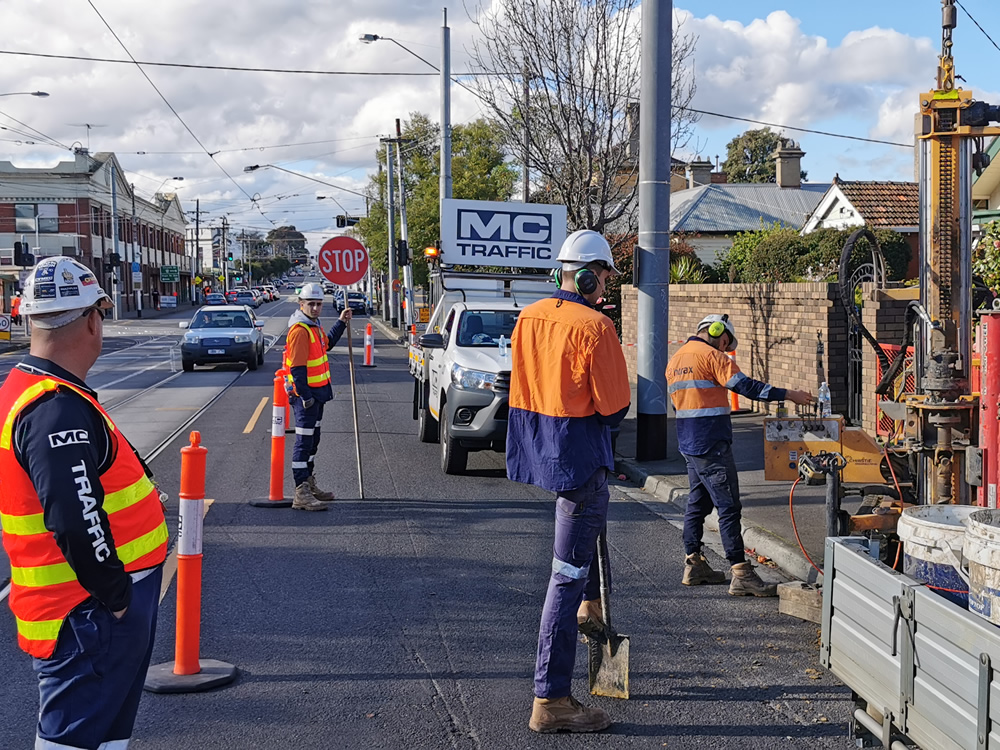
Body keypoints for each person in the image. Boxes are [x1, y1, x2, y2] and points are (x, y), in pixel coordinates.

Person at [0, 257, 169, 749]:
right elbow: (75, 518)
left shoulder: (31, 389)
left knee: (100, 738)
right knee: (71, 741)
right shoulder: (55, 408)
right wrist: (116, 596)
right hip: (88, 613)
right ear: (94, 320)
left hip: (84, 610)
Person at [507, 229, 631, 734]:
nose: (605, 287)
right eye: (602, 277)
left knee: (575, 566)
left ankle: (589, 606)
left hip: (544, 454)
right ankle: (551, 697)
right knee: (565, 575)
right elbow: (614, 405)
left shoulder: (529, 316)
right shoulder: (595, 326)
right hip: (581, 461)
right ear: (584, 275)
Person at [666, 314, 812, 596]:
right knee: (729, 507)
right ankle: (741, 572)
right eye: (725, 343)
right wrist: (789, 394)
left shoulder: (676, 359)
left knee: (697, 503)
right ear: (719, 333)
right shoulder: (713, 357)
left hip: (689, 443)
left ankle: (693, 563)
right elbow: (747, 388)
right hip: (712, 444)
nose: (725, 348)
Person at [284, 282, 352, 511]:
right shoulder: (301, 330)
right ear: (301, 304)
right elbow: (297, 369)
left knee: (313, 441)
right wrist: (305, 396)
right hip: (307, 396)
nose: (315, 308)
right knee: (304, 443)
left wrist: (341, 322)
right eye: (310, 304)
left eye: (318, 304)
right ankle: (300, 492)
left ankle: (309, 484)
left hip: (318, 393)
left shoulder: (314, 327)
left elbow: (327, 344)